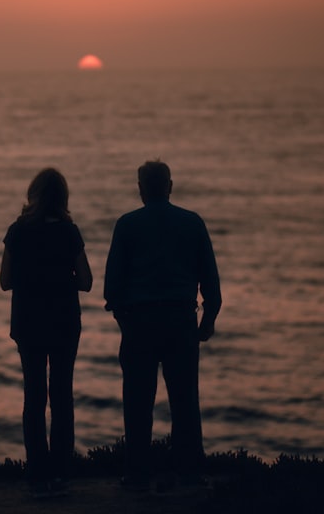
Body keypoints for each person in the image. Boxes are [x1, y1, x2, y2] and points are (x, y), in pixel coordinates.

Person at [104, 160, 221, 490]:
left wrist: (124, 320)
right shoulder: (192, 223)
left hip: (139, 321)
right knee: (185, 400)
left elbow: (112, 288)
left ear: (140, 188)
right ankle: (189, 471)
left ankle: (138, 473)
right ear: (170, 186)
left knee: (138, 401)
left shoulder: (126, 225)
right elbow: (210, 282)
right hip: (180, 320)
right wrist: (207, 320)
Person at [0, 168, 93, 499]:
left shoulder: (17, 232)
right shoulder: (69, 232)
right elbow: (86, 281)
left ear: (32, 193)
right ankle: (61, 475)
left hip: (28, 322)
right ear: (63, 197)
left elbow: (5, 281)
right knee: (62, 396)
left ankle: (37, 473)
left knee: (34, 396)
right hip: (64, 322)